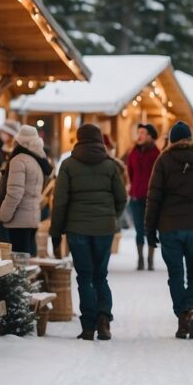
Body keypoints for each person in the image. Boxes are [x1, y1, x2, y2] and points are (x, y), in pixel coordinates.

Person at [145, 121, 193, 340]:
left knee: (176, 275)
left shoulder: (163, 161)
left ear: (171, 140)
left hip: (169, 226)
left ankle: (182, 316)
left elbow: (154, 197)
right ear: (190, 139)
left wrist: (149, 229)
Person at [50, 124, 127, 341]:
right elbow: (121, 198)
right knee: (100, 275)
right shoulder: (111, 166)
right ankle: (103, 320)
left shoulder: (68, 165)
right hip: (104, 229)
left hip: (77, 229)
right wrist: (111, 217)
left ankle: (88, 326)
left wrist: (56, 233)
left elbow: (60, 202)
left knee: (85, 277)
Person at [0, 125, 53, 257]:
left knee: (19, 263)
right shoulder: (37, 160)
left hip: (18, 219)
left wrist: (2, 215)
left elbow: (14, 193)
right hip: (32, 216)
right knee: (28, 261)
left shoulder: (19, 160)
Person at [125, 123, 160, 271]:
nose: (139, 136)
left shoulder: (156, 154)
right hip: (136, 197)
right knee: (139, 229)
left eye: (142, 133)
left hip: (151, 198)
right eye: (138, 132)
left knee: (151, 229)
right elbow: (130, 172)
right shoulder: (133, 152)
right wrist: (132, 188)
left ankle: (150, 259)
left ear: (150, 136)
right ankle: (140, 259)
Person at [0, 120, 21, 244]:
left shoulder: (15, 153)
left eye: (4, 132)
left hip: (8, 201)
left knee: (6, 240)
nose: (1, 134)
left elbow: (14, 188)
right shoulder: (3, 149)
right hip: (5, 198)